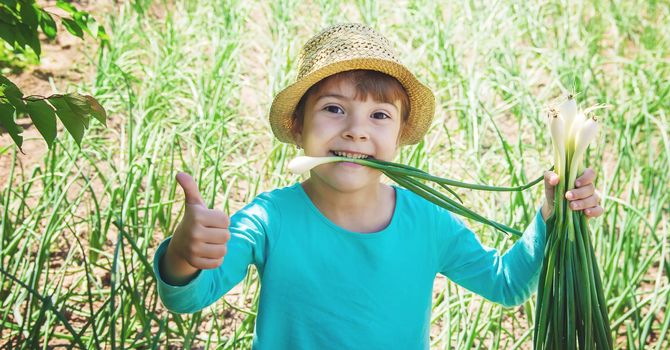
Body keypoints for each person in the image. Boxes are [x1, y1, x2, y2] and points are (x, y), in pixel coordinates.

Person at [152, 23, 604, 349]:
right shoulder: (269, 219)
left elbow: (506, 284)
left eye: (380, 116)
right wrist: (184, 255)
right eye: (334, 109)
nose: (356, 131)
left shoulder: (427, 222)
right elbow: (189, 297)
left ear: (401, 134)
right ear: (297, 127)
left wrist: (551, 213)